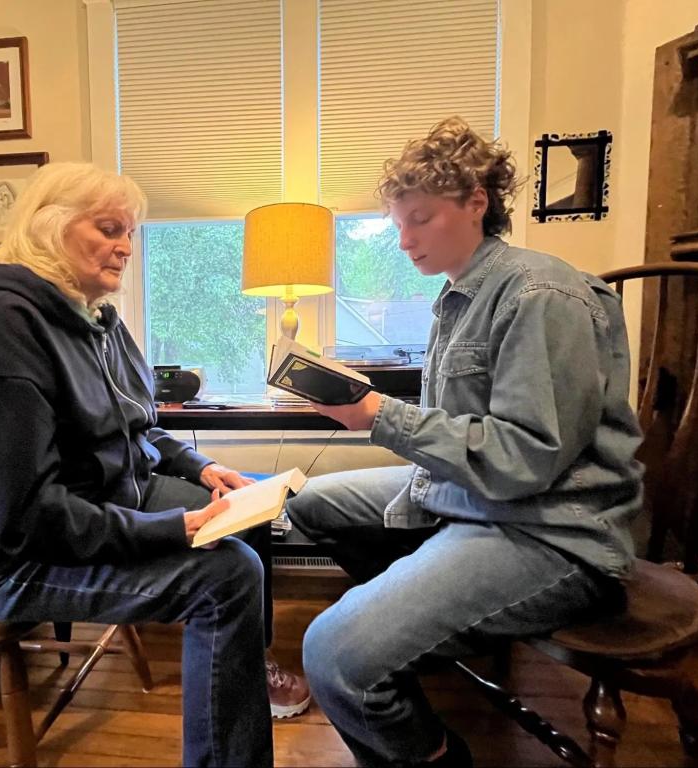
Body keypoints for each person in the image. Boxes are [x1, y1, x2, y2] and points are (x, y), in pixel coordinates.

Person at [284, 117, 643, 767]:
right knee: (311, 502)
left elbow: (523, 459)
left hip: (549, 528)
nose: (404, 240)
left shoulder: (540, 294)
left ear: (477, 202)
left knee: (332, 653)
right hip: (474, 498)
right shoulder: (459, 296)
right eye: (399, 225)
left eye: (420, 219)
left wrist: (380, 415)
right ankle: (415, 627)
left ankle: (434, 747)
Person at [0, 162, 309, 768]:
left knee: (252, 503)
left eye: (129, 232)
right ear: (49, 227)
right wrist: (172, 530)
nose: (126, 247)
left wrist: (202, 468)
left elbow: (141, 426)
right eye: (108, 229)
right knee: (228, 577)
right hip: (12, 562)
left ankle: (241, 666)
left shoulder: (97, 319)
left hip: (109, 500)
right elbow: (30, 519)